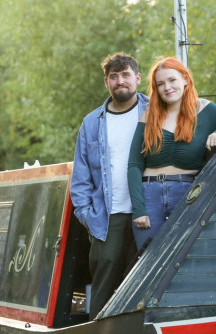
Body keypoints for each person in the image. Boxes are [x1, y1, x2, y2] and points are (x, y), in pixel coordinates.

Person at [127, 57, 216, 248]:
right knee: (146, 259)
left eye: (172, 80)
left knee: (183, 257)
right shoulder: (149, 115)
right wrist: (138, 209)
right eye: (160, 84)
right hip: (149, 195)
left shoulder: (204, 109)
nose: (167, 87)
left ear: (185, 79)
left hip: (187, 194)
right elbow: (134, 165)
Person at [70, 52, 149, 320]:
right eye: (114, 77)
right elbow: (80, 180)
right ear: (107, 82)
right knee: (104, 293)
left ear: (137, 78)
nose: (120, 81)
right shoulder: (91, 123)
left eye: (126, 75)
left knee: (145, 285)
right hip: (107, 218)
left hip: (149, 212)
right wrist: (89, 218)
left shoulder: (156, 112)